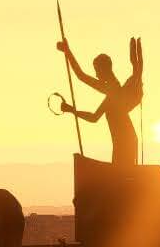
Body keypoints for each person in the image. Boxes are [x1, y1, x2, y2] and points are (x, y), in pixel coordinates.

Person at [56, 35, 143, 166]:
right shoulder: (113, 88)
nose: (96, 75)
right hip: (125, 141)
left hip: (125, 142)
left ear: (103, 70)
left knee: (121, 175)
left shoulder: (112, 90)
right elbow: (137, 68)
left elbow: (93, 117)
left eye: (97, 71)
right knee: (120, 173)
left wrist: (72, 110)